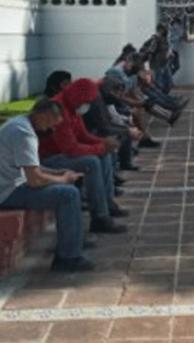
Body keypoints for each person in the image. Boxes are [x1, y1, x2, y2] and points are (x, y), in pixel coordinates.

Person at [0, 97, 94, 272]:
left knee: (69, 189)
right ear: (43, 114)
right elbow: (34, 180)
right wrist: (63, 180)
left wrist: (56, 173)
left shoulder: (20, 125)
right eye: (52, 122)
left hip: (9, 186)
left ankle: (74, 240)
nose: (52, 128)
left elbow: (30, 166)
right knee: (68, 194)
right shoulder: (24, 134)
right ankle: (68, 257)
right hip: (7, 193)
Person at [38, 78, 128, 233]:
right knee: (91, 162)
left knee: (103, 155)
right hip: (48, 159)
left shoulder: (72, 107)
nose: (85, 105)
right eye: (85, 101)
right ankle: (100, 217)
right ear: (78, 95)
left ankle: (107, 202)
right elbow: (71, 149)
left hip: (63, 153)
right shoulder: (58, 110)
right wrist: (101, 147)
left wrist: (104, 143)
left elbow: (83, 135)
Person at [141, 24, 173, 94]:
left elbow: (166, 50)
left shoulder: (165, 40)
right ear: (159, 30)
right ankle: (158, 96)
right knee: (157, 81)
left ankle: (165, 96)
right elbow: (151, 53)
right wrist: (150, 66)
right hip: (157, 64)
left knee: (168, 81)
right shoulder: (156, 41)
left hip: (164, 63)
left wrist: (169, 55)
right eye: (163, 29)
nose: (165, 31)